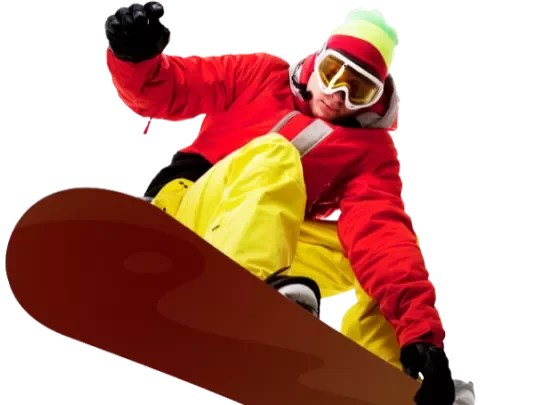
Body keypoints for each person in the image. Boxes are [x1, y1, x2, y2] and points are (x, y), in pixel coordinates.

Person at [104, 2, 456, 404]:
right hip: (187, 214)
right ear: (316, 62)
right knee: (275, 153)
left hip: (260, 240)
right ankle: (241, 297)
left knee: (379, 264)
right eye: (333, 73)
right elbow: (171, 88)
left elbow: (382, 235)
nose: (338, 95)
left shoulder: (369, 152)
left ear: (375, 100)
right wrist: (135, 55)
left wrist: (420, 333)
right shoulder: (259, 74)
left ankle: (385, 381)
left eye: (357, 90)